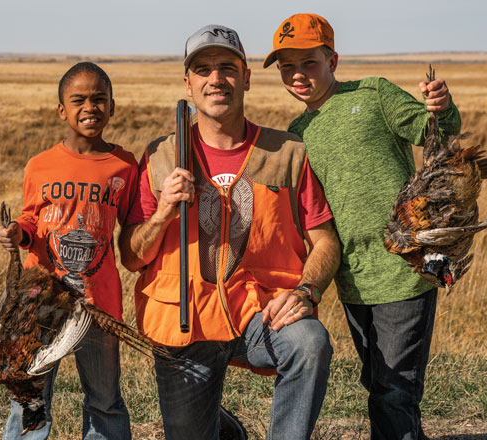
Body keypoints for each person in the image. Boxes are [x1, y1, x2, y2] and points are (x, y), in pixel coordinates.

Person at [118, 24, 341, 440]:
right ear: (188, 84)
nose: (216, 79)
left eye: (227, 68)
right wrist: (163, 212)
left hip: (263, 313)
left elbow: (324, 240)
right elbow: (131, 257)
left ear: (247, 78)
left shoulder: (287, 153)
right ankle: (226, 431)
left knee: (309, 343)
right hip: (184, 323)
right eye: (203, 69)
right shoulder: (161, 156)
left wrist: (306, 291)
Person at [264, 13, 462, 440]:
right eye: (286, 66)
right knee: (378, 380)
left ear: (332, 60)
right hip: (352, 278)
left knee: (394, 388)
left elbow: (435, 135)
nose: (297, 74)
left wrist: (441, 109)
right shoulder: (297, 134)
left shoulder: (373, 94)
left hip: (404, 266)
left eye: (309, 62)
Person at [0, 62, 137, 440]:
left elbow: (134, 228)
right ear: (62, 110)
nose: (90, 107)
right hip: (40, 301)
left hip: (98, 304)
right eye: (79, 100)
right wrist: (18, 233)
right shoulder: (40, 165)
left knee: (105, 399)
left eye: (99, 99)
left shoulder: (125, 166)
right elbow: (31, 219)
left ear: (112, 106)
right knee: (29, 399)